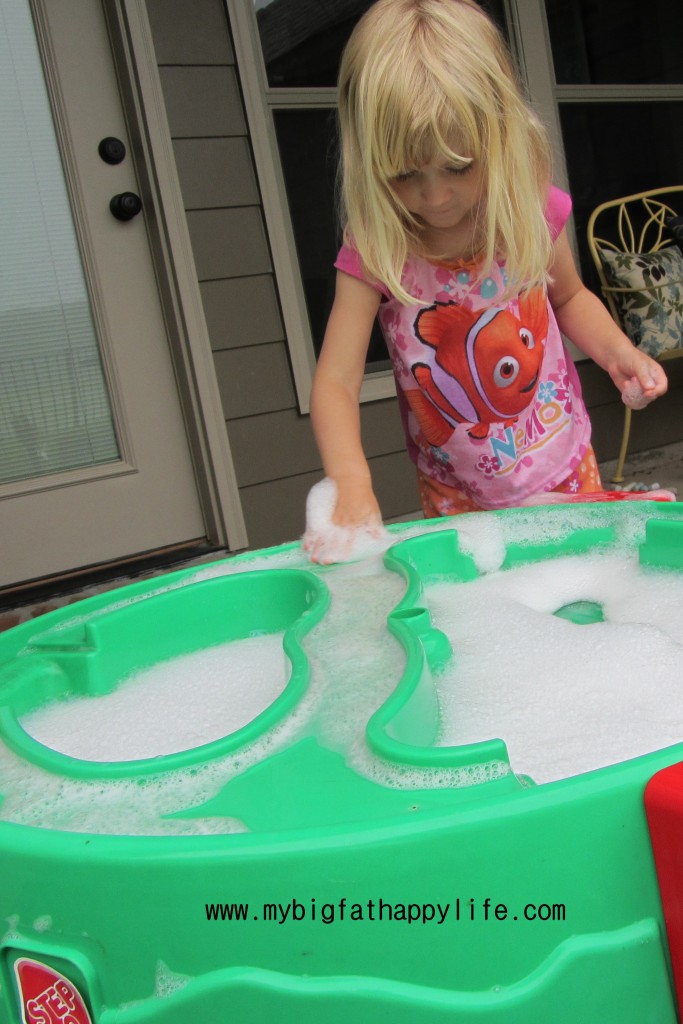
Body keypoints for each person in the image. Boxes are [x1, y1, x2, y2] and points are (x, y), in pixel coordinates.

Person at [306, 0, 667, 562]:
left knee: (582, 598)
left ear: (501, 134)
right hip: (458, 499)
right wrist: (351, 481)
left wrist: (618, 351)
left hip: (566, 469)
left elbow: (569, 297)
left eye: (458, 166)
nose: (435, 196)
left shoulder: (528, 213)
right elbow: (336, 380)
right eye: (404, 174)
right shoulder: (378, 249)